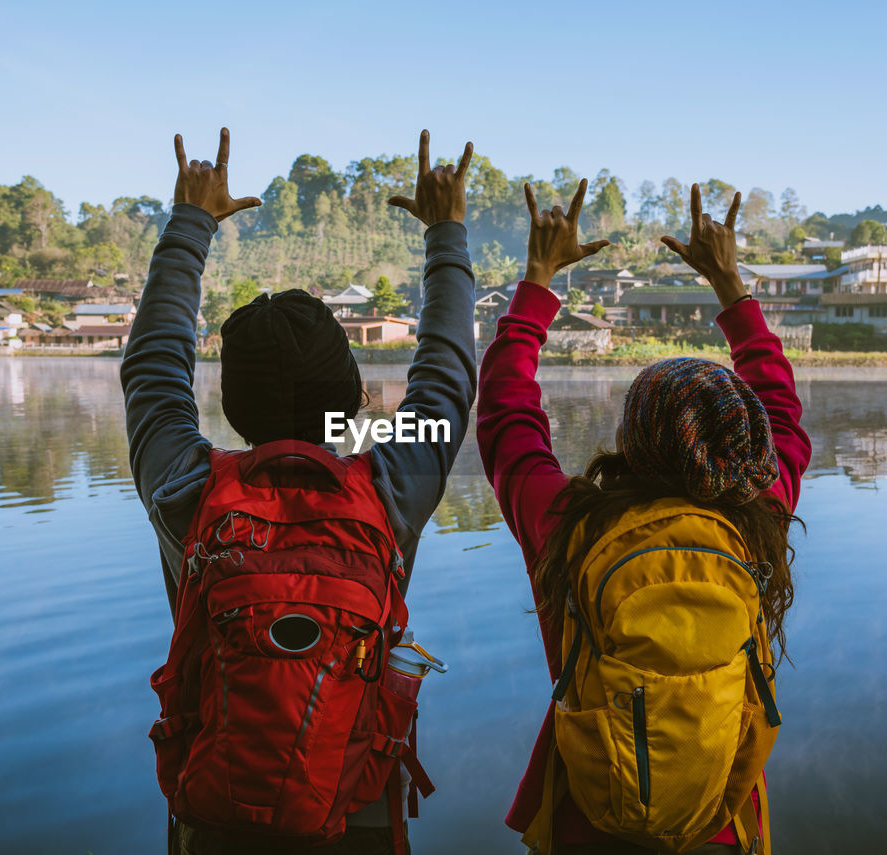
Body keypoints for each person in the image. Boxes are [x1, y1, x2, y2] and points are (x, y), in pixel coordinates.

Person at [121, 127, 477, 854]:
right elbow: (445, 377)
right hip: (356, 809)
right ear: (347, 396)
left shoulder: (187, 491)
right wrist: (446, 233)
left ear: (232, 404)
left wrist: (192, 220)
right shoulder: (390, 489)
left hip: (215, 808)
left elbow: (153, 367)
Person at [476, 179, 810, 854]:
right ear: (748, 441)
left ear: (631, 439)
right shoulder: (758, 516)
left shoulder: (570, 524)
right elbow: (783, 408)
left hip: (588, 826)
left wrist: (538, 280)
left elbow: (506, 415)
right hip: (721, 825)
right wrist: (731, 286)